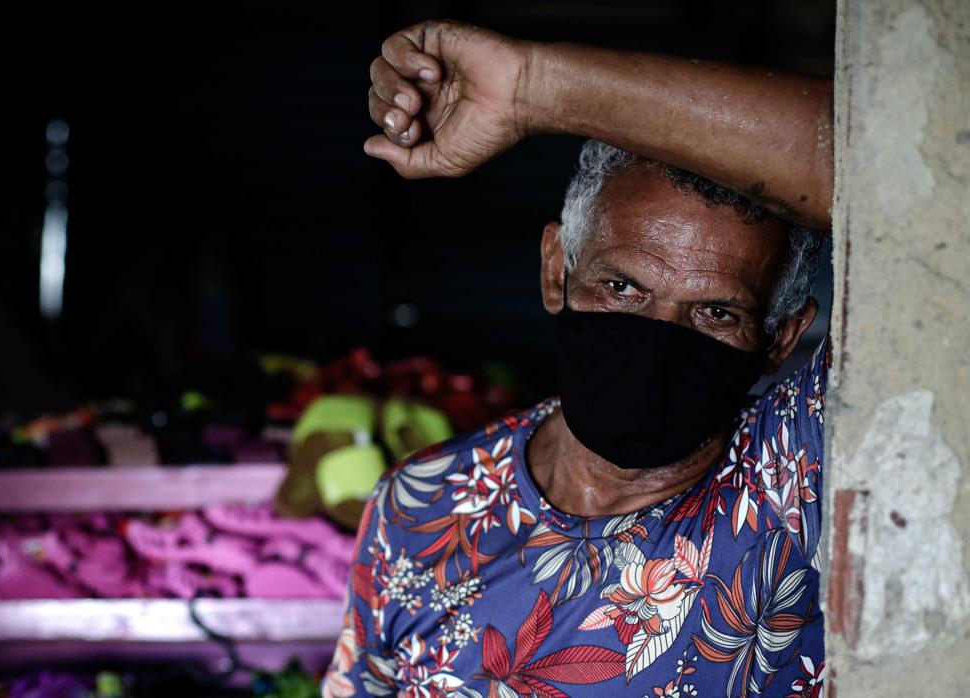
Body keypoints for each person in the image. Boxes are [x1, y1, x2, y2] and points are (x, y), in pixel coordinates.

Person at [322, 19, 832, 698]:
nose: (657, 339)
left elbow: (899, 176)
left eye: (717, 313)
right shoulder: (422, 508)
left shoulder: (802, 476)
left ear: (781, 336)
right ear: (556, 270)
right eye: (621, 288)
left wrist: (534, 88)